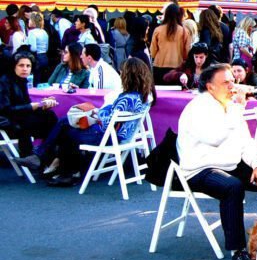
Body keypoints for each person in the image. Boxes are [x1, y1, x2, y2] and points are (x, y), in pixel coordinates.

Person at [177, 63, 257, 260]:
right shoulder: (198, 108)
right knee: (232, 187)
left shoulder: (229, 106)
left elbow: (246, 142)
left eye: (232, 81)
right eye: (226, 82)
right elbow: (214, 138)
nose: (232, 86)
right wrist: (238, 107)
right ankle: (237, 251)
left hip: (230, 162)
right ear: (210, 87)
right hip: (200, 167)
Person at [32, 58, 156, 186]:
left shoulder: (125, 99)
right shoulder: (144, 97)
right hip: (123, 135)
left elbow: (106, 122)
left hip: (108, 136)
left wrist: (96, 112)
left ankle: (51, 161)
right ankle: (63, 169)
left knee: (66, 126)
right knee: (67, 126)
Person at [0, 52, 58, 159]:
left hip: (20, 117)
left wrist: (42, 105)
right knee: (48, 121)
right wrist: (32, 107)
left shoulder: (21, 81)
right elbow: (5, 109)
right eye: (21, 65)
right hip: (8, 121)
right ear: (14, 66)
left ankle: (46, 156)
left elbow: (26, 105)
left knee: (49, 115)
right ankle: (42, 156)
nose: (25, 69)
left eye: (28, 66)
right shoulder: (4, 81)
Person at [150, 3, 190, 84]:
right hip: (177, 67)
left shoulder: (158, 30)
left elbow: (153, 51)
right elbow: (187, 52)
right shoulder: (184, 31)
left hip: (159, 66)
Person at [25, 12, 49, 81]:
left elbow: (33, 48)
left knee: (35, 80)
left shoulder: (32, 32)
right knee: (43, 79)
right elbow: (46, 48)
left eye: (29, 19)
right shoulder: (44, 32)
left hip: (36, 58)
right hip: (44, 57)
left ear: (33, 21)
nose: (28, 21)